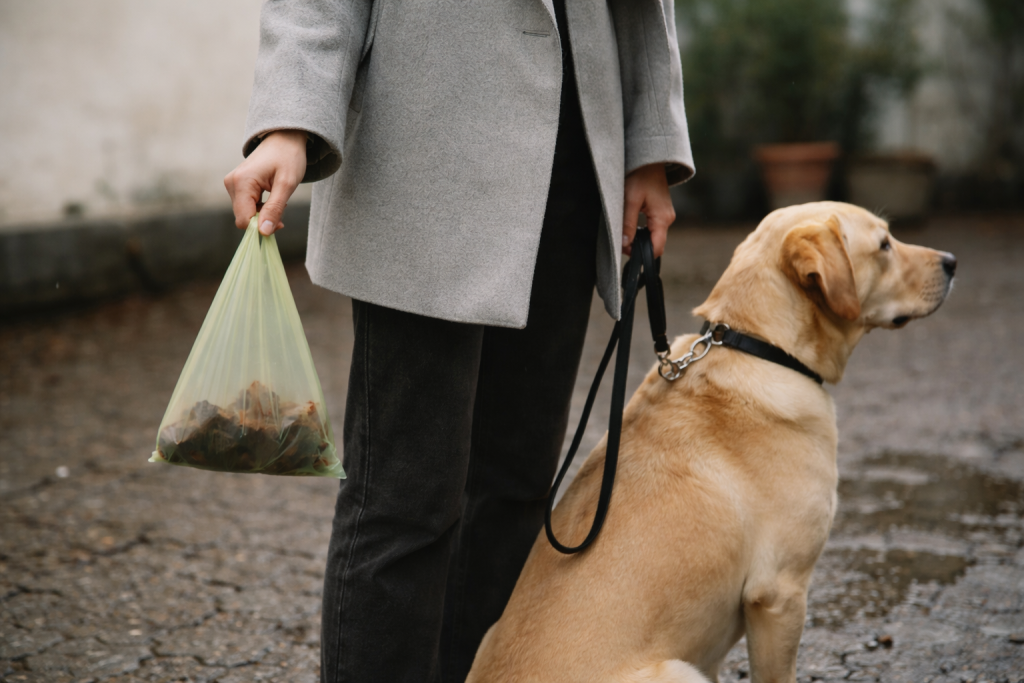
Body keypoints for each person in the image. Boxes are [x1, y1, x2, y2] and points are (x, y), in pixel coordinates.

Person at [224, 1, 694, 681]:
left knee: (514, 488)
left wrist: (649, 142)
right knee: (407, 499)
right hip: (422, 147)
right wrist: (291, 118)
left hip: (573, 151)